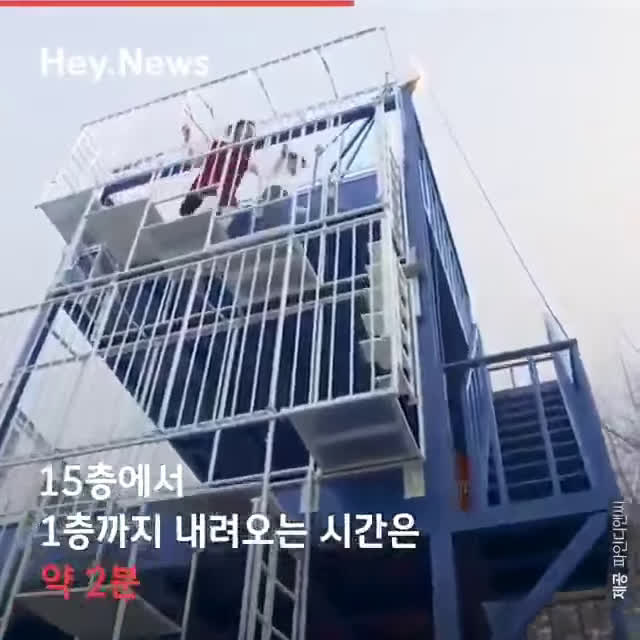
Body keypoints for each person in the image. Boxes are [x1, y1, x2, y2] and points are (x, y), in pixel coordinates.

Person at [179, 119, 259, 217]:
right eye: (246, 132)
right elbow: (195, 162)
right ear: (235, 133)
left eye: (251, 135)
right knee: (210, 204)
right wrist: (188, 140)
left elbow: (261, 173)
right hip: (201, 195)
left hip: (224, 200)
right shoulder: (216, 146)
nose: (248, 137)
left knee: (229, 212)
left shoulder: (246, 160)